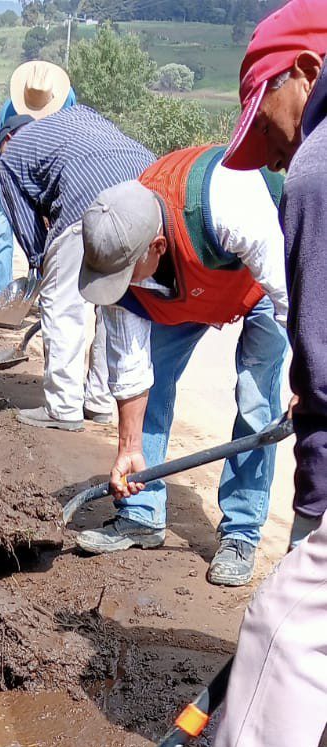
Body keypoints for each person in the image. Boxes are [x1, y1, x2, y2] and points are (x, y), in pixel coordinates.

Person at [114, 0, 327, 747]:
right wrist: (130, 456)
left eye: (268, 121)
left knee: (291, 616)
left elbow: (307, 334)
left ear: (303, 73)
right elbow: (132, 364)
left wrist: (312, 505)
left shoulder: (287, 187)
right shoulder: (129, 261)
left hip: (272, 313)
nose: (272, 149)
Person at [76, 144, 288, 586]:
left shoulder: (231, 204)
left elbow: (292, 298)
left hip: (264, 284)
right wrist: (128, 448)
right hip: (189, 291)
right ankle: (142, 512)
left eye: (125, 275)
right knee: (150, 382)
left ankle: (241, 532)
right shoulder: (119, 240)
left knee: (255, 401)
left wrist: (312, 375)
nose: (120, 286)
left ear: (156, 246)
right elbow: (131, 369)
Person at [0, 105, 155, 431]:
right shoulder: (78, 119)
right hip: (146, 193)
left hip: (92, 203)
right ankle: (98, 401)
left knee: (62, 303)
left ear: (7, 140)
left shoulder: (11, 157)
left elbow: (27, 227)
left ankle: (63, 406)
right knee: (115, 304)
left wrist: (42, 264)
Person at [0, 61, 76, 303]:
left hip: (47, 178)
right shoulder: (9, 111)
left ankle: (44, 293)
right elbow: (1, 154)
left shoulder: (68, 102)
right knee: (1, 234)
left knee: (50, 237)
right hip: (9, 176)